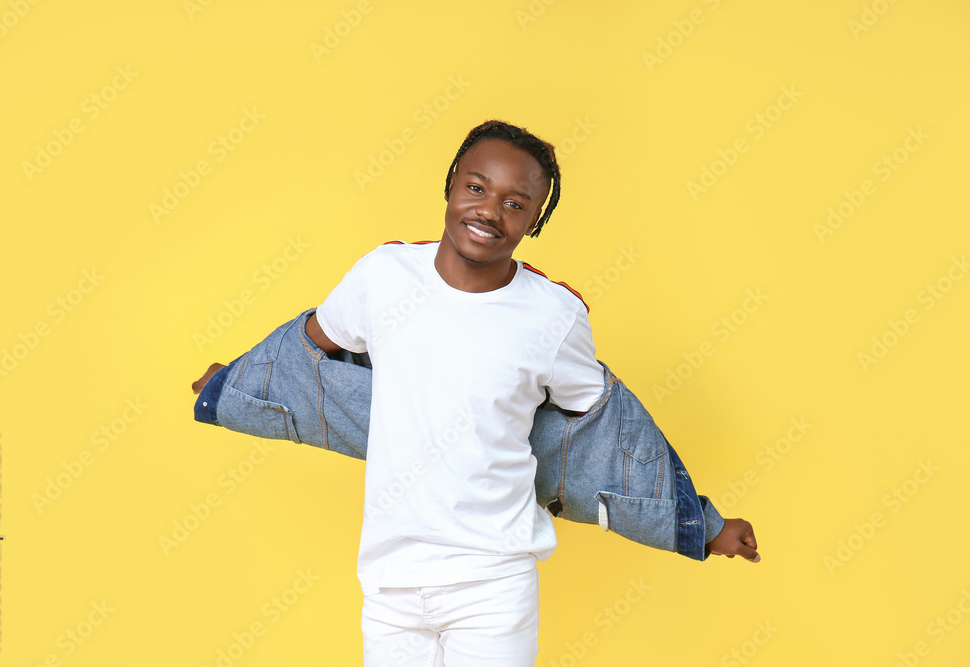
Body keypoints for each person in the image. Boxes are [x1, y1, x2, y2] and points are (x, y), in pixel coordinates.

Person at [193, 120, 759, 665]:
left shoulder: (553, 315)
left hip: (494, 581)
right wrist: (236, 383)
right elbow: (306, 355)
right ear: (450, 185)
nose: (490, 210)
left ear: (535, 221)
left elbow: (605, 432)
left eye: (516, 203)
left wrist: (704, 527)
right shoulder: (383, 275)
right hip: (389, 580)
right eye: (477, 187)